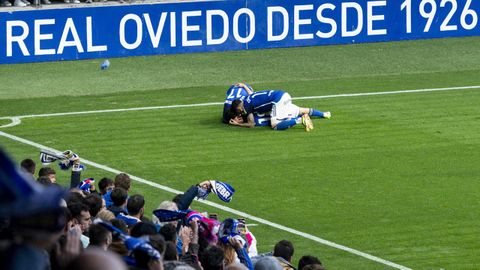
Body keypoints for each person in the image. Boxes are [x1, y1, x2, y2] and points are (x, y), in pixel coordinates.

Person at [228, 90, 330, 131]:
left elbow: (251, 124)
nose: (241, 113)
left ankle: (300, 120)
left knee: (275, 125)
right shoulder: (248, 97)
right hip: (283, 94)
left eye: (239, 111)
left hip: (277, 101)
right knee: (299, 110)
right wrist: (244, 86)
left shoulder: (246, 107)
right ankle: (324, 114)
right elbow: (252, 92)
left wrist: (238, 124)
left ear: (239, 108)